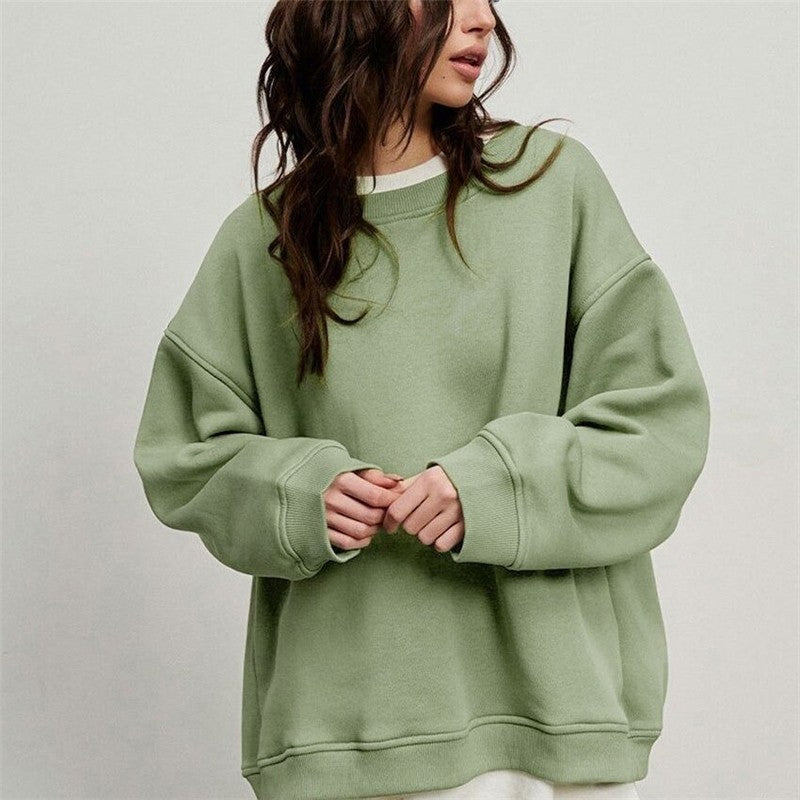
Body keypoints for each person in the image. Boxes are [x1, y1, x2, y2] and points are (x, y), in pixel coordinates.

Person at [132, 1, 711, 799]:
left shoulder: (551, 185)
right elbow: (183, 456)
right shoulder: (263, 240)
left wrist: (500, 488)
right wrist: (298, 495)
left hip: (555, 720)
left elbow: (659, 426)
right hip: (349, 730)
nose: (481, 19)